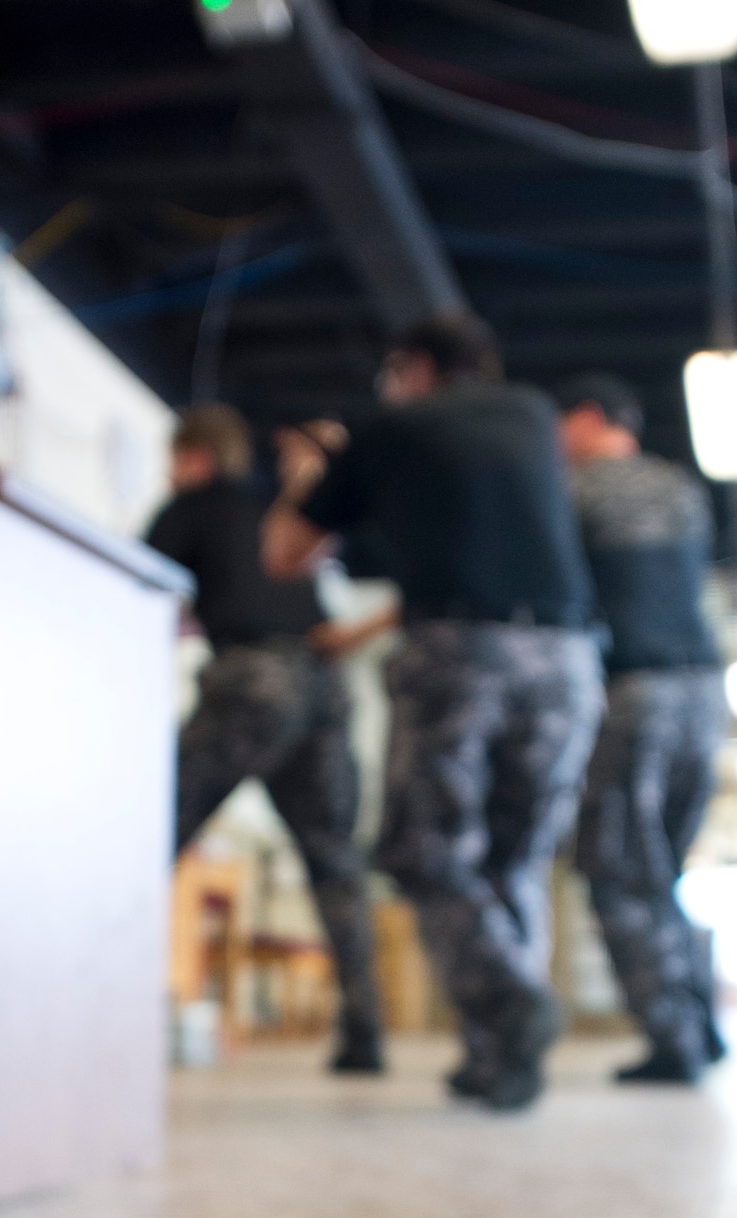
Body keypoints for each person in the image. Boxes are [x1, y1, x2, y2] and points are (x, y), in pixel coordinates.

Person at [263, 313, 602, 1110]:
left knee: (425, 853)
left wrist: (311, 471)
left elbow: (284, 555)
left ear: (412, 368)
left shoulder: (391, 427)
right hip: (567, 657)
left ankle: (507, 998)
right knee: (511, 860)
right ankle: (500, 1061)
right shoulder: (531, 418)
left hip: (460, 653)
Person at [147, 403, 388, 1074]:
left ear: (191, 457)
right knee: (335, 863)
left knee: (148, 835)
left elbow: (148, 596)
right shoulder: (272, 508)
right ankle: (364, 1029)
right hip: (321, 678)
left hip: (251, 681)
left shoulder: (190, 506)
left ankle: (94, 1006)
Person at [556, 372, 728, 1084]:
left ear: (590, 418)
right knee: (662, 871)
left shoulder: (575, 491)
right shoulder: (681, 487)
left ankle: (673, 1042)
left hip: (636, 689)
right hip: (704, 689)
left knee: (619, 868)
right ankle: (702, 1024)